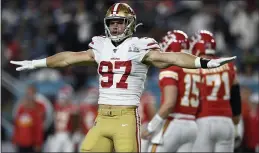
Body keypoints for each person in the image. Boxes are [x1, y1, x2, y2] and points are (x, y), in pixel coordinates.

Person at [10, 3, 236, 152]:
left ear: (130, 24)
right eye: (112, 22)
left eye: (120, 22)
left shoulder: (140, 45)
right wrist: (37, 62)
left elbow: (174, 58)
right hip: (102, 118)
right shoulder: (99, 45)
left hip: (125, 118)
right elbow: (69, 58)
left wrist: (203, 63)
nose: (116, 26)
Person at [142, 30, 200, 152]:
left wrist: (151, 127)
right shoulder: (196, 69)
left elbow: (169, 104)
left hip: (174, 122)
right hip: (192, 125)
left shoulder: (171, 68)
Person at [190, 30, 242, 152]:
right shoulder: (228, 65)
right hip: (226, 122)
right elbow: (236, 98)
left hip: (204, 120)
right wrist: (235, 124)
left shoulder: (194, 67)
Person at [45, 85, 77, 152]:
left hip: (68, 135)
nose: (61, 100)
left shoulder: (72, 108)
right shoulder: (56, 106)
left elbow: (75, 122)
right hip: (57, 134)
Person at [12, 85, 44, 153]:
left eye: (31, 93)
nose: (29, 96)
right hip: (21, 143)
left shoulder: (38, 109)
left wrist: (38, 143)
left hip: (32, 144)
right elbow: (17, 126)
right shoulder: (21, 109)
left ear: (35, 94)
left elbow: (39, 128)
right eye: (28, 94)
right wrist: (15, 140)